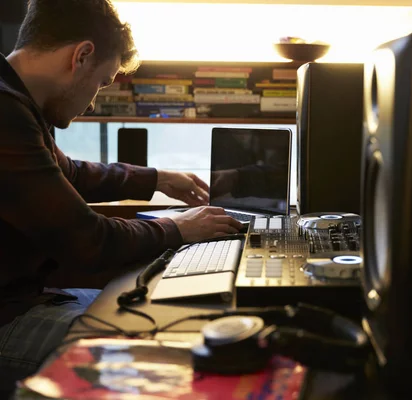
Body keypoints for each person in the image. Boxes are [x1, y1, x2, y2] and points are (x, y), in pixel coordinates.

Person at [0, 0, 243, 390]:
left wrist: (157, 178)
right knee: (161, 350)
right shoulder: (6, 114)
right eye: (101, 82)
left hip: (24, 299)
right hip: (6, 318)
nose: (93, 101)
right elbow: (89, 241)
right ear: (81, 55)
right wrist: (177, 228)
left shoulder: (17, 103)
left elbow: (71, 173)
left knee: (153, 307)